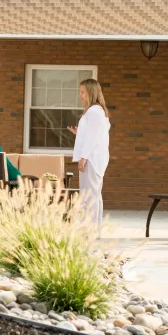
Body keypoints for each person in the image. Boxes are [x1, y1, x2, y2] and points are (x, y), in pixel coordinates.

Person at [67, 79, 110, 231]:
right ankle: (94, 231)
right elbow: (95, 135)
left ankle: (90, 233)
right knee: (94, 196)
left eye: (83, 92)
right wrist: (79, 133)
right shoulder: (98, 112)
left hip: (91, 160)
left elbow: (92, 138)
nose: (80, 95)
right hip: (95, 159)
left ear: (91, 93)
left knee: (89, 197)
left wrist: (83, 157)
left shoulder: (94, 112)